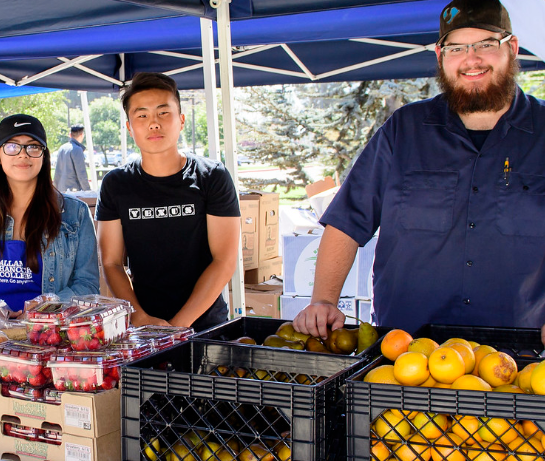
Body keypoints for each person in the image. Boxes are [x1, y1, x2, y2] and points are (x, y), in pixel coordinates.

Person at [293, 0, 545, 343]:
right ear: (441, 56)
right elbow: (347, 222)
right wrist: (323, 300)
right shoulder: (403, 130)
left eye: (486, 44)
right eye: (457, 48)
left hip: (520, 354)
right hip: (404, 349)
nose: (471, 59)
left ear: (511, 48)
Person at [96, 72, 240, 332]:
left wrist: (178, 326)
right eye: (142, 115)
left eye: (163, 113)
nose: (153, 123)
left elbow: (224, 260)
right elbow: (111, 262)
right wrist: (139, 317)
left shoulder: (212, 176)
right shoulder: (116, 184)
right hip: (143, 327)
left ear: (181, 120)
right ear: (129, 127)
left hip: (205, 325)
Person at [0, 114, 99, 316]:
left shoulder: (75, 214)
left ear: (44, 156)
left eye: (33, 146)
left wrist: (44, 307)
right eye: (12, 146)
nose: (23, 154)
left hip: (48, 335)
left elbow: (88, 287)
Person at [53, 124, 90, 192]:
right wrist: (88, 191)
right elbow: (81, 174)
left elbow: (57, 173)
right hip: (74, 191)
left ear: (70, 135)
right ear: (82, 135)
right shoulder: (77, 150)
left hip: (61, 191)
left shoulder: (62, 148)